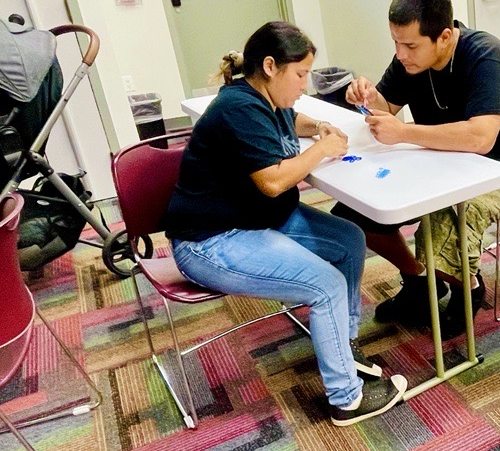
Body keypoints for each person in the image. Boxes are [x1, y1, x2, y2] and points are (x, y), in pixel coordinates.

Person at [164, 21, 407, 427]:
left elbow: (290, 117)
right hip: (211, 242)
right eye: (300, 75)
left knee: (348, 237)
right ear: (272, 66)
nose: (304, 84)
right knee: (326, 285)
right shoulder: (238, 108)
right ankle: (346, 399)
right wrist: (325, 149)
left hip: (254, 220)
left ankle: (344, 348)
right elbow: (274, 181)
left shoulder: (259, 98)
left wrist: (317, 128)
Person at [337, 0, 500, 339]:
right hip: (434, 161)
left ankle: (467, 290)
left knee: (445, 221)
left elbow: (481, 137)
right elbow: (388, 109)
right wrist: (368, 97)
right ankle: (418, 282)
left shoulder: (485, 56)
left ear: (444, 37)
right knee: (353, 215)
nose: (400, 54)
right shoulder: (411, 60)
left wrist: (406, 133)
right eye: (395, 42)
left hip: (498, 171)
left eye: (410, 45)